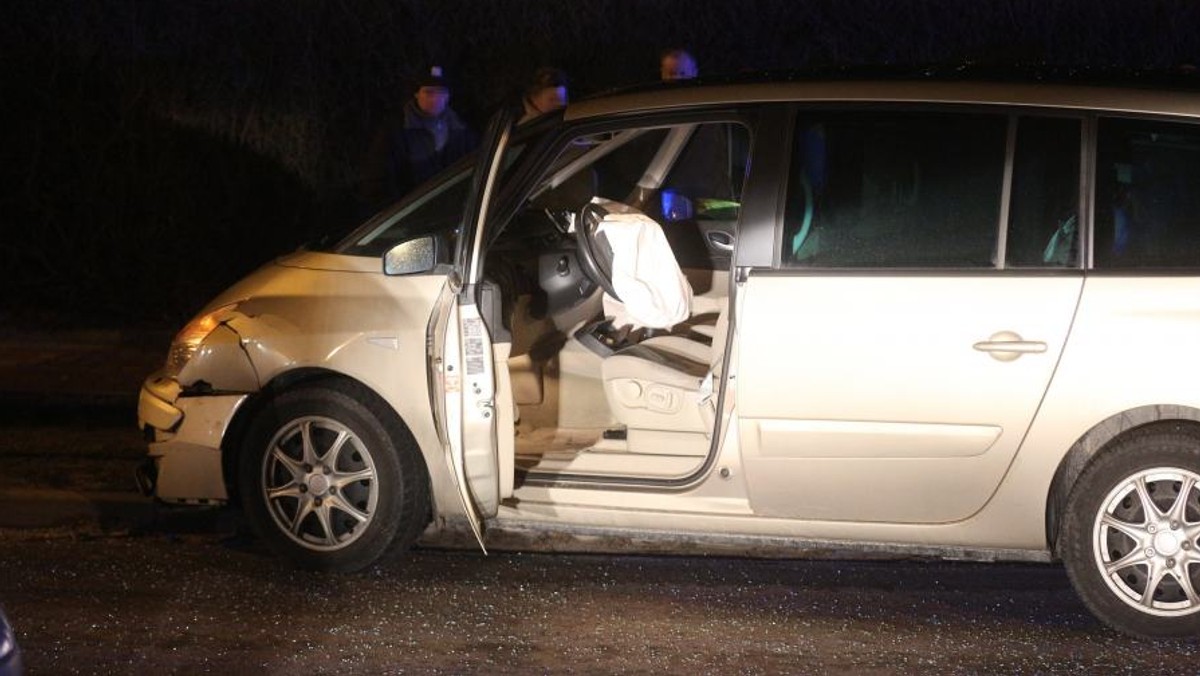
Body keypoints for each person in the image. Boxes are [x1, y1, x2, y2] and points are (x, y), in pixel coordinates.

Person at [361, 66, 477, 211]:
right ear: (416, 94)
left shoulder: (461, 130)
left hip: (453, 214)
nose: (435, 98)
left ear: (448, 96)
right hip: (413, 217)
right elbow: (377, 180)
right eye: (429, 92)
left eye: (441, 92)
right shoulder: (396, 130)